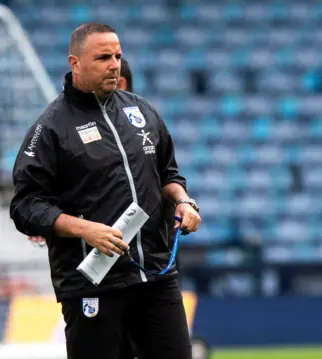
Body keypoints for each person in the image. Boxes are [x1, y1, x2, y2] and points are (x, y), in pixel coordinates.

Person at [10, 23, 201, 359]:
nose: (114, 64)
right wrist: (84, 229)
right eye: (102, 57)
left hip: (155, 277)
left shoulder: (141, 110)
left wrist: (183, 202)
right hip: (93, 285)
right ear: (75, 63)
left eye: (117, 56)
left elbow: (168, 174)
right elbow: (25, 206)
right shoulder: (50, 127)